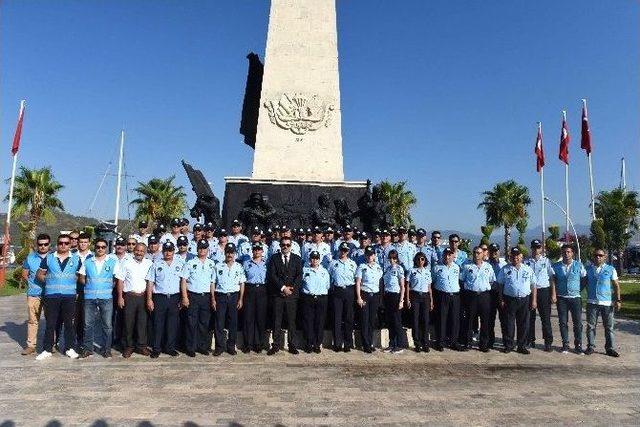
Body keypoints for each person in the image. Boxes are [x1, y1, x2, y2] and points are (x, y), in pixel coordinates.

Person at [35, 234, 82, 360]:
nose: (63, 245)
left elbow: (79, 276)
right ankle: (47, 349)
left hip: (69, 296)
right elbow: (39, 274)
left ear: (70, 244)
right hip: (51, 296)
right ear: (57, 244)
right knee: (50, 324)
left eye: (66, 243)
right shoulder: (49, 258)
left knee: (69, 324)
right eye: (61, 243)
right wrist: (49, 281)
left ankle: (70, 348)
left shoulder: (76, 259)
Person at [77, 238, 117, 358]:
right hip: (90, 297)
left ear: (106, 248)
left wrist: (106, 287)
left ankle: (106, 349)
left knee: (107, 325)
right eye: (98, 247)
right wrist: (90, 286)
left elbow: (115, 279)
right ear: (95, 247)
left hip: (106, 297)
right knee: (88, 324)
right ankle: (88, 349)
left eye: (103, 247)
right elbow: (81, 277)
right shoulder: (88, 262)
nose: (100, 249)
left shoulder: (112, 262)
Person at [146, 242, 184, 358]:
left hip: (174, 297)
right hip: (160, 297)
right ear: (162, 252)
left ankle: (170, 348)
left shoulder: (180, 264)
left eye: (170, 250)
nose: (168, 252)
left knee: (172, 324)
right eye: (166, 250)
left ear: (174, 251)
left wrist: (183, 297)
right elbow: (150, 282)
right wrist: (149, 299)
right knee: (158, 324)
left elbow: (183, 281)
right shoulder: (156, 264)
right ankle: (156, 348)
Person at [267, 235, 303, 355]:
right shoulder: (274, 258)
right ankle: (276, 345)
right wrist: (283, 288)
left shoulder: (297, 259)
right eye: (283, 245)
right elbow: (272, 275)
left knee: (291, 321)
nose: (285, 247)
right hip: (278, 294)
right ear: (280, 246)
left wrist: (291, 289)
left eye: (288, 245)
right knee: (276, 320)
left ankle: (292, 345)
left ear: (291, 246)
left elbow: (299, 276)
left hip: (292, 295)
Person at [115, 242, 153, 358]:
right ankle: (128, 346)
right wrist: (120, 297)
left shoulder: (149, 263)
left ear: (145, 252)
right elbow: (120, 280)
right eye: (137, 250)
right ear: (133, 250)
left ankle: (141, 346)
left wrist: (149, 298)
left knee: (142, 322)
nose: (139, 253)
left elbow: (150, 281)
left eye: (142, 251)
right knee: (128, 322)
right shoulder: (126, 263)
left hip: (143, 296)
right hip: (130, 296)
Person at [497, 247, 537, 354]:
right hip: (509, 300)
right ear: (510, 257)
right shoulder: (505, 269)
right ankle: (509, 345)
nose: (515, 258)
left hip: (524, 299)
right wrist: (500, 299)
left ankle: (521, 346)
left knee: (523, 324)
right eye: (513, 256)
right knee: (509, 324)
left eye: (517, 256)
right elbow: (500, 285)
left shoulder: (528, 269)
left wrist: (534, 300)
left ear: (521, 257)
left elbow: (533, 285)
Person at [180, 239, 216, 357]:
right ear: (197, 249)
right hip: (193, 295)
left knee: (204, 323)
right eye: (200, 247)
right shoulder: (190, 262)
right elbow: (184, 280)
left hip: (205, 296)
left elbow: (212, 282)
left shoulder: (212, 264)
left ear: (208, 249)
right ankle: (190, 347)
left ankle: (202, 346)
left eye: (204, 248)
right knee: (191, 322)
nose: (202, 250)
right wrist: (185, 297)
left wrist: (212, 298)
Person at [549, 244, 587, 354]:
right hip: (562, 298)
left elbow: (584, 279)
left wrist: (578, 289)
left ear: (572, 253)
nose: (566, 254)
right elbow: (553, 281)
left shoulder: (579, 265)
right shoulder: (556, 266)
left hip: (575, 298)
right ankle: (565, 344)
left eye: (569, 252)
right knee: (563, 322)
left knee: (578, 323)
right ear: (562, 253)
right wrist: (554, 294)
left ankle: (578, 345)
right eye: (564, 252)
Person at [585, 248, 621, 357]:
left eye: (600, 255)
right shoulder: (588, 269)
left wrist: (618, 300)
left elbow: (616, 286)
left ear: (605, 257)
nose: (598, 257)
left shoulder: (611, 269)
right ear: (593, 256)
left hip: (607, 302)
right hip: (592, 302)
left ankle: (610, 348)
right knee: (591, 326)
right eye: (596, 255)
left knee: (609, 327)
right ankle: (590, 346)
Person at [212, 243, 246, 356]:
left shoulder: (239, 267)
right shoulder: (218, 266)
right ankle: (219, 347)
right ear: (224, 253)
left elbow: (242, 283)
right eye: (228, 252)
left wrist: (241, 299)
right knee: (219, 323)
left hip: (234, 296)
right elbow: (213, 283)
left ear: (235, 253)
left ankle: (231, 346)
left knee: (233, 323)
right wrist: (213, 298)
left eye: (232, 252)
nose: (229, 254)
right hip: (221, 296)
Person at [460, 246, 495, 352]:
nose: (477, 254)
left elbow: (492, 281)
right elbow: (462, 280)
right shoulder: (467, 266)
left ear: (483, 254)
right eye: (475, 252)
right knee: (469, 320)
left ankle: (483, 344)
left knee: (485, 321)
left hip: (484, 296)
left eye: (479, 253)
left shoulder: (488, 266)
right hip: (471, 296)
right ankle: (468, 343)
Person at [21, 233, 50, 355]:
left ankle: (50, 345)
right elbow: (24, 274)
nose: (43, 246)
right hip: (34, 294)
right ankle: (31, 345)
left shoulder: (54, 257)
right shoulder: (30, 258)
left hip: (50, 294)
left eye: (45, 244)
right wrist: (31, 284)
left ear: (49, 244)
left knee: (51, 320)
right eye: (40, 244)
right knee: (33, 320)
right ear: (37, 245)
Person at [524, 239, 555, 352]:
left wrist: (553, 293)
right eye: (534, 247)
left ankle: (548, 342)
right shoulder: (526, 262)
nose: (536, 249)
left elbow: (551, 278)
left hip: (543, 291)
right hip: (530, 291)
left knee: (545, 318)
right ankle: (530, 340)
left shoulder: (546, 261)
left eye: (538, 247)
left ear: (541, 249)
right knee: (529, 318)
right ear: (531, 248)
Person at [328, 242, 357, 352]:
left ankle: (348, 343)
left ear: (348, 252)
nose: (343, 252)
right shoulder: (333, 263)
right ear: (339, 250)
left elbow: (357, 279)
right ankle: (337, 343)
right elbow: (329, 278)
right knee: (337, 318)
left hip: (349, 290)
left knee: (348, 318)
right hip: (337, 291)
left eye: (346, 250)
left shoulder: (353, 264)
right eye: (342, 250)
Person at [432, 247, 462, 351]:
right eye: (445, 254)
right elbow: (433, 280)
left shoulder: (457, 267)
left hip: (454, 295)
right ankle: (440, 342)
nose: (447, 256)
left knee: (454, 319)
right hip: (442, 295)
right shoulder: (437, 267)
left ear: (453, 256)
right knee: (441, 319)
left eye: (449, 255)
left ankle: (453, 342)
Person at [301, 250, 331, 353]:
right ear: (310, 259)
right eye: (313, 258)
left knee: (319, 321)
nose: (315, 260)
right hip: (308, 298)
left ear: (319, 260)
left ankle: (317, 344)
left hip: (321, 298)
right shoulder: (305, 270)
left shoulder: (324, 272)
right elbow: (301, 284)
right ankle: (308, 343)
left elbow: (327, 285)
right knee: (308, 321)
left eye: (316, 258)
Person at [355, 246, 383, 353]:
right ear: (365, 256)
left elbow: (380, 283)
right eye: (368, 255)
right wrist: (359, 298)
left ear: (374, 256)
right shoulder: (361, 267)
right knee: (364, 320)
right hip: (365, 294)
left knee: (372, 321)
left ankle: (370, 342)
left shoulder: (378, 268)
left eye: (371, 254)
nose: (370, 256)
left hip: (375, 295)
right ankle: (365, 343)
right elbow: (358, 283)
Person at [242, 242, 268, 353]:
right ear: (252, 251)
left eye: (259, 249)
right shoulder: (246, 263)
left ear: (262, 251)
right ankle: (248, 344)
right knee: (249, 317)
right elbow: (242, 278)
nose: (257, 251)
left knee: (260, 318)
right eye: (255, 249)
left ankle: (258, 343)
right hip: (250, 289)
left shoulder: (266, 264)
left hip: (262, 290)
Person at [406, 252, 432, 353]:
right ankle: (417, 343)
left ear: (425, 261)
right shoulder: (412, 271)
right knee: (415, 320)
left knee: (425, 320)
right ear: (415, 260)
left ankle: (425, 343)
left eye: (422, 259)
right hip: (415, 296)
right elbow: (408, 286)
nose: (420, 261)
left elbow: (429, 287)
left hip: (425, 297)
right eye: (418, 259)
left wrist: (431, 300)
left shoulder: (427, 272)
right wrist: (408, 299)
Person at [382, 250, 406, 354]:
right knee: (390, 321)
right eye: (390, 258)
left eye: (394, 258)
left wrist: (401, 301)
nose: (392, 260)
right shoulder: (387, 269)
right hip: (388, 295)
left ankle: (400, 344)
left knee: (397, 321)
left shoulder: (399, 269)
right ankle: (392, 343)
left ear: (397, 259)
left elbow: (402, 286)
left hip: (396, 296)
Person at [487, 243, 507, 349]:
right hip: (490, 294)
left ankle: (506, 341)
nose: (494, 252)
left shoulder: (505, 264)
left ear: (499, 251)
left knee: (504, 319)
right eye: (492, 250)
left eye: (496, 250)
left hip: (502, 294)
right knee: (490, 319)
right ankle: (490, 341)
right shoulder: (485, 264)